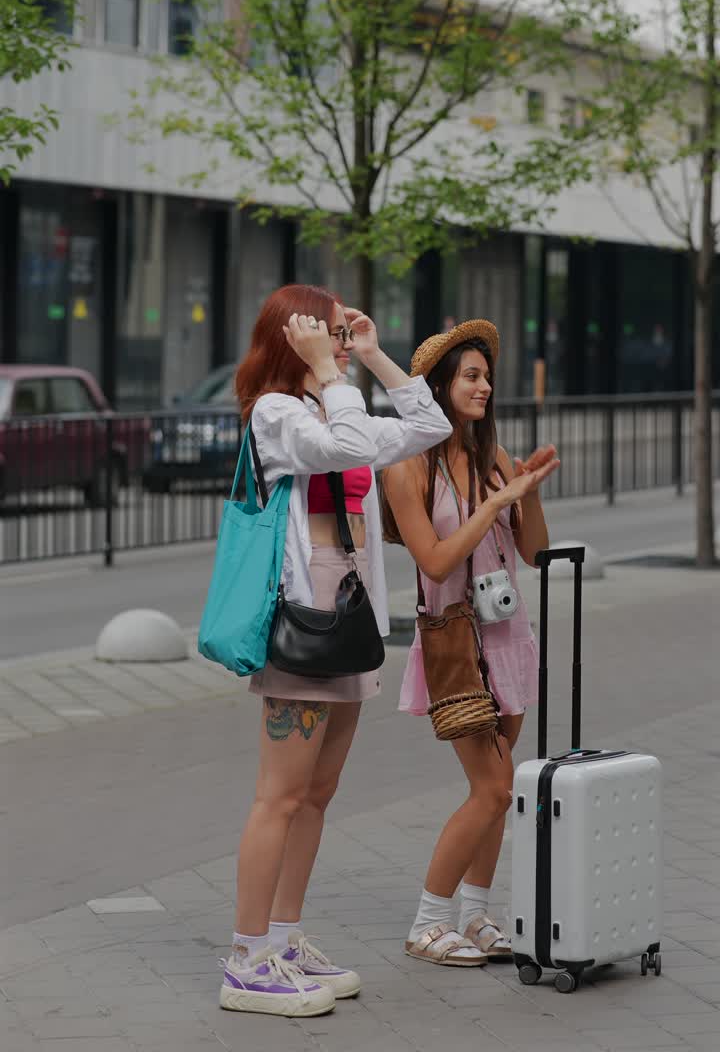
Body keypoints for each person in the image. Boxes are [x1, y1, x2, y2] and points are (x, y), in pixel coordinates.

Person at [220, 283, 452, 1017]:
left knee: (317, 794)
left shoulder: (330, 403)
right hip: (301, 619)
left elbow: (430, 424)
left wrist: (377, 356)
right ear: (292, 336)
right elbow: (347, 446)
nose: (338, 341)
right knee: (279, 795)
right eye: (326, 328)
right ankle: (246, 960)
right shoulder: (276, 414)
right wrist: (327, 372)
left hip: (347, 617)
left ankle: (284, 939)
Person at [382, 319, 559, 967]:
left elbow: (534, 552)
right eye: (471, 376)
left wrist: (526, 496)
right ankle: (429, 921)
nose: (485, 387)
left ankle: (477, 915)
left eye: (487, 376)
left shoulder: (495, 459)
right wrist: (492, 505)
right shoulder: (409, 469)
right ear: (437, 386)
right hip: (453, 644)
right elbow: (433, 562)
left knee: (503, 784)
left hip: (509, 634)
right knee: (490, 788)